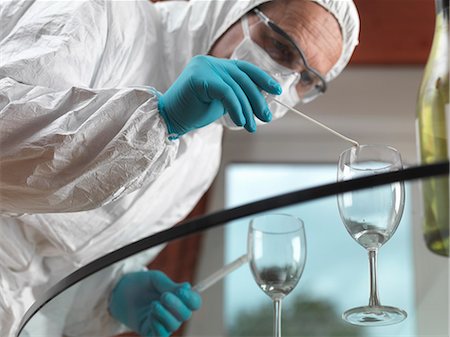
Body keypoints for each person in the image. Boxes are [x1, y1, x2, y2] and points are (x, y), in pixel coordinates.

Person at [0, 0, 359, 336]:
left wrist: (107, 293)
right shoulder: (102, 16)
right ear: (236, 8)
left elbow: (50, 276)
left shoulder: (202, 162)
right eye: (280, 46)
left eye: (306, 80)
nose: (282, 84)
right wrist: (160, 119)